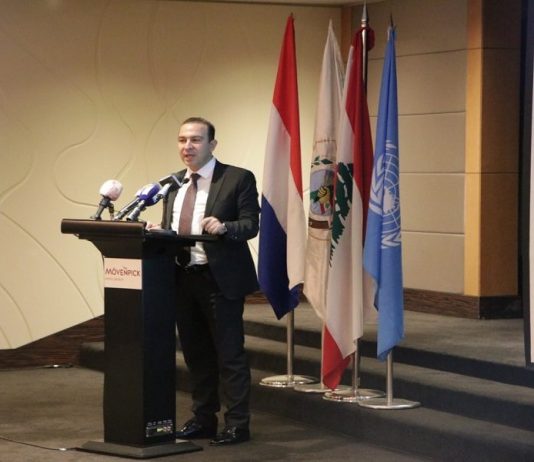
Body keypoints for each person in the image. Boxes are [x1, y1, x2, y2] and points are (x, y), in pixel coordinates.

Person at [151, 117, 259, 446]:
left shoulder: (237, 178)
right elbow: (174, 230)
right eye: (182, 140)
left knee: (229, 355)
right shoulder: (172, 184)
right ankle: (203, 420)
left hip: (219, 280)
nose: (188, 146)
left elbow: (250, 224)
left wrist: (226, 227)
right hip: (182, 279)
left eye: (196, 140)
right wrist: (159, 233)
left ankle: (237, 424)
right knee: (196, 355)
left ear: (212, 144)